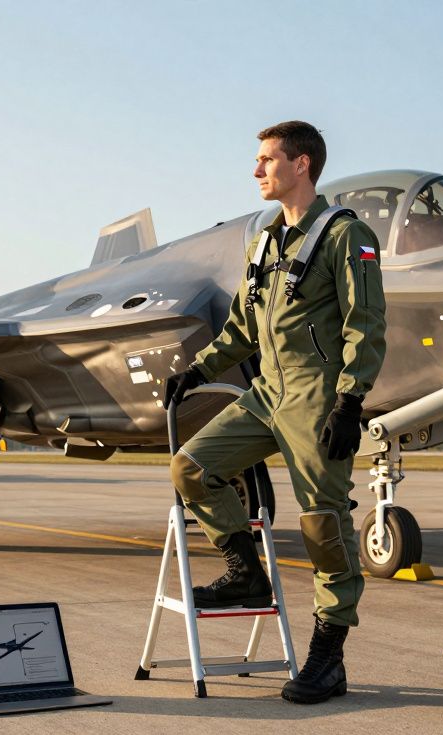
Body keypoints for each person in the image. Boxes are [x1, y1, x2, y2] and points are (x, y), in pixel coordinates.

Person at [164, 120, 387, 704]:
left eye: (267, 159)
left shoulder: (346, 236)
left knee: (323, 524)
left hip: (317, 399)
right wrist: (199, 370)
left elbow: (366, 324)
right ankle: (246, 572)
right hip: (267, 394)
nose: (257, 170)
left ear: (302, 166)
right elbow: (241, 327)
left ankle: (328, 656)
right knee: (192, 468)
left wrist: (349, 400)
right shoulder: (265, 241)